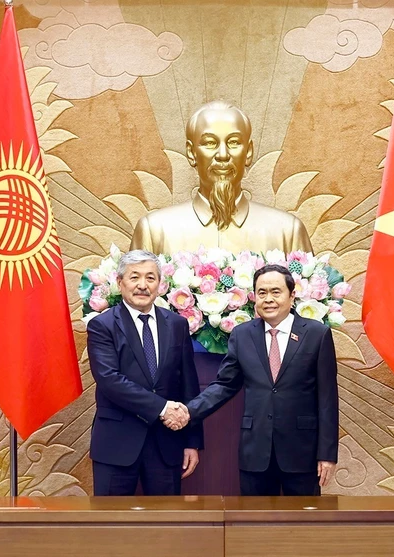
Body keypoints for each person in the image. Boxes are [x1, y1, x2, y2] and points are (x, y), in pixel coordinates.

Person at [167, 264, 338, 495]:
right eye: (262, 293)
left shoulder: (316, 334)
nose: (268, 299)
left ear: (292, 295)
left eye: (276, 292)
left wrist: (327, 454)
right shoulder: (243, 334)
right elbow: (225, 385)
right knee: (254, 524)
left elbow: (327, 399)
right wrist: (189, 411)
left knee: (302, 526)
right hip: (255, 451)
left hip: (302, 452)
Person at [86, 250, 203, 495]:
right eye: (134, 277)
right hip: (116, 443)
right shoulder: (102, 325)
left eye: (150, 278)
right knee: (111, 524)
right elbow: (109, 380)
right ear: (120, 283)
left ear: (160, 284)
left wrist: (192, 442)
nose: (142, 285)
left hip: (167, 444)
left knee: (165, 526)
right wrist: (162, 408)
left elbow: (188, 385)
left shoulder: (176, 324)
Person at [130, 101, 313, 255]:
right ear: (191, 153)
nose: (223, 155)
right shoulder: (154, 231)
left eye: (234, 142)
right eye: (210, 143)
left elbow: (308, 297)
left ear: (248, 152)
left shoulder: (287, 232)